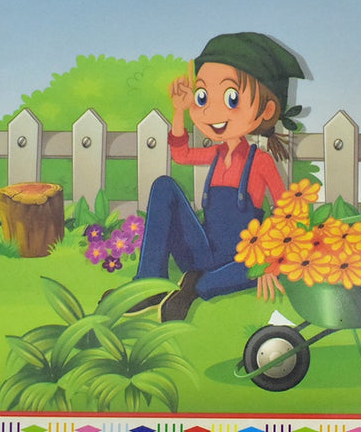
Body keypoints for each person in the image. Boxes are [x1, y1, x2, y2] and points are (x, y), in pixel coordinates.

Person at [126, 31, 305, 320]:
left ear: (266, 110)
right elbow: (181, 155)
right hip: (204, 252)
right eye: (202, 97)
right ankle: (149, 283)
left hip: (242, 257)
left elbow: (289, 214)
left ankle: (194, 288)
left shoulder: (260, 162)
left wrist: (271, 262)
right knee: (164, 186)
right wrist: (179, 111)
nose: (210, 110)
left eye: (231, 98)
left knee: (236, 274)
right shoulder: (216, 154)